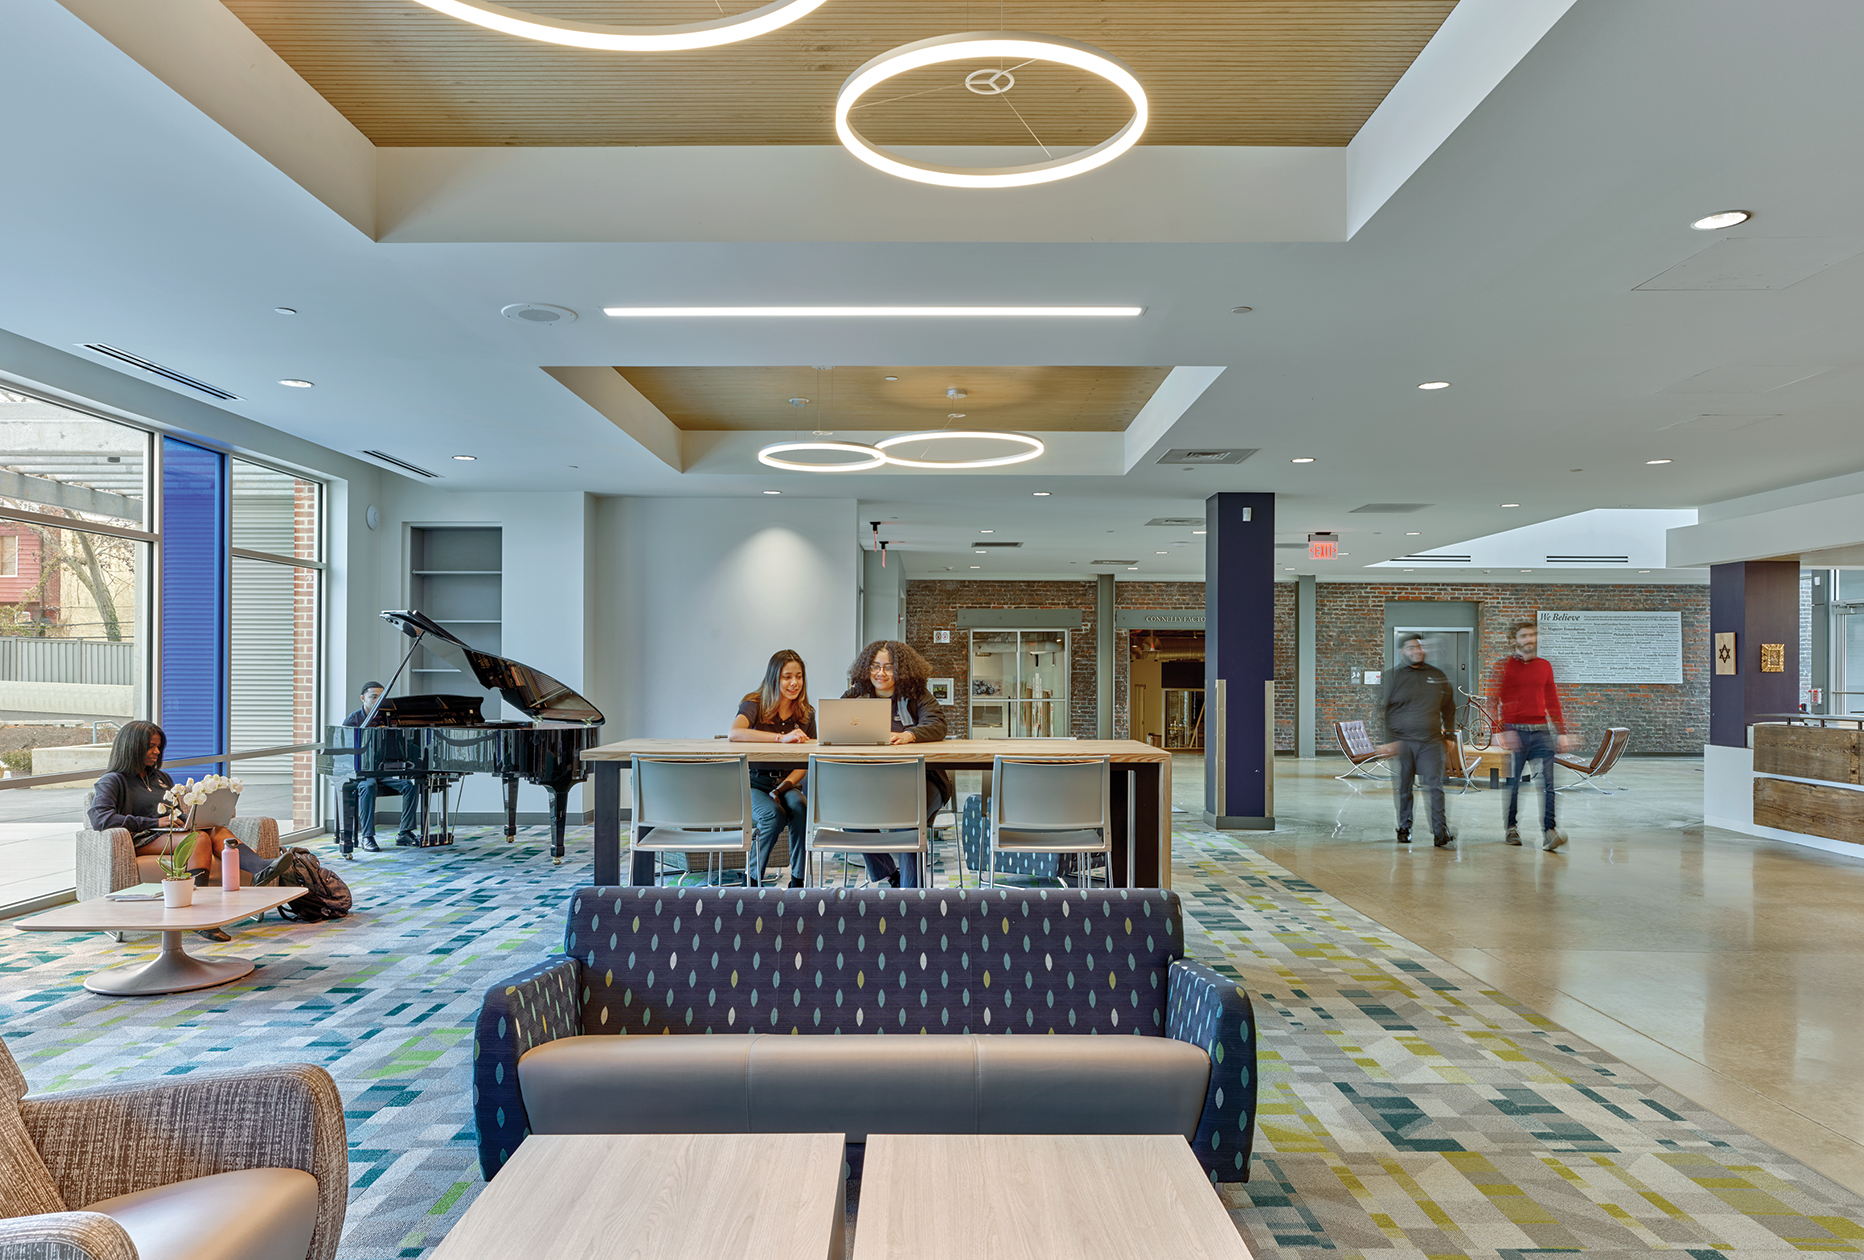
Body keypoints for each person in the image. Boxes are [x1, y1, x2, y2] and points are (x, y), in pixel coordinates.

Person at [89, 720, 253, 941]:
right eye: (150, 747)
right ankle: (198, 918)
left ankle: (261, 868)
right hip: (141, 839)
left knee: (216, 830)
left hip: (167, 834)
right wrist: (151, 822)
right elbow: (100, 819)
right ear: (131, 747)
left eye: (158, 746)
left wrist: (195, 817)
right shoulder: (113, 781)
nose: (156, 752)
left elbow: (174, 812)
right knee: (199, 840)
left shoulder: (160, 778)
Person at [841, 640, 949, 888]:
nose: (881, 673)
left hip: (923, 781)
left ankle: (911, 897)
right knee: (847, 810)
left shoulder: (917, 694)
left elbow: (938, 725)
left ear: (901, 670)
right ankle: (891, 874)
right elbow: (837, 724)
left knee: (908, 816)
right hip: (872, 782)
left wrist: (909, 735)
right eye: (875, 667)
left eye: (889, 667)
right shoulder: (856, 695)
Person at [728, 649, 815, 888]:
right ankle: (753, 880)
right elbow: (734, 733)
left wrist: (782, 788)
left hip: (787, 784)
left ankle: (798, 881)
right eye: (787, 676)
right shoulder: (754, 703)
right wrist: (780, 738)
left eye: (799, 676)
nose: (794, 682)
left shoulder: (806, 714)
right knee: (772, 816)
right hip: (753, 783)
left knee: (800, 807)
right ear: (774, 677)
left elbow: (804, 763)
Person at [1490, 620, 1570, 851]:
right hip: (1515, 731)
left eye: (1533, 635)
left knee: (1548, 785)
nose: (1530, 639)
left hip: (1541, 731)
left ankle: (1549, 831)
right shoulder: (1503, 666)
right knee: (1514, 784)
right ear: (1514, 640)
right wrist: (1499, 731)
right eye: (1524, 636)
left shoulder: (1544, 666)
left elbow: (1552, 700)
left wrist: (1562, 732)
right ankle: (1511, 828)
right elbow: (1492, 700)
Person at [1376, 635, 1457, 848]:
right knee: (1404, 787)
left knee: (1435, 786)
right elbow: (1382, 711)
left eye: (1420, 647)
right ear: (1402, 651)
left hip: (1431, 742)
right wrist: (1388, 741)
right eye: (1412, 647)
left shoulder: (1437, 676)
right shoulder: (1392, 677)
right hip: (1402, 743)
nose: (1417, 651)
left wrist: (1449, 735)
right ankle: (1404, 827)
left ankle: (1440, 830)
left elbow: (1449, 707)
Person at [340, 681, 423, 852]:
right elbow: (345, 753)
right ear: (363, 698)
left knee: (410, 786)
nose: (378, 700)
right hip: (360, 775)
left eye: (381, 697)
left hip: (381, 772)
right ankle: (367, 837)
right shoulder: (352, 720)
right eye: (374, 696)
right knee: (369, 786)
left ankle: (404, 833)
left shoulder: (385, 719)